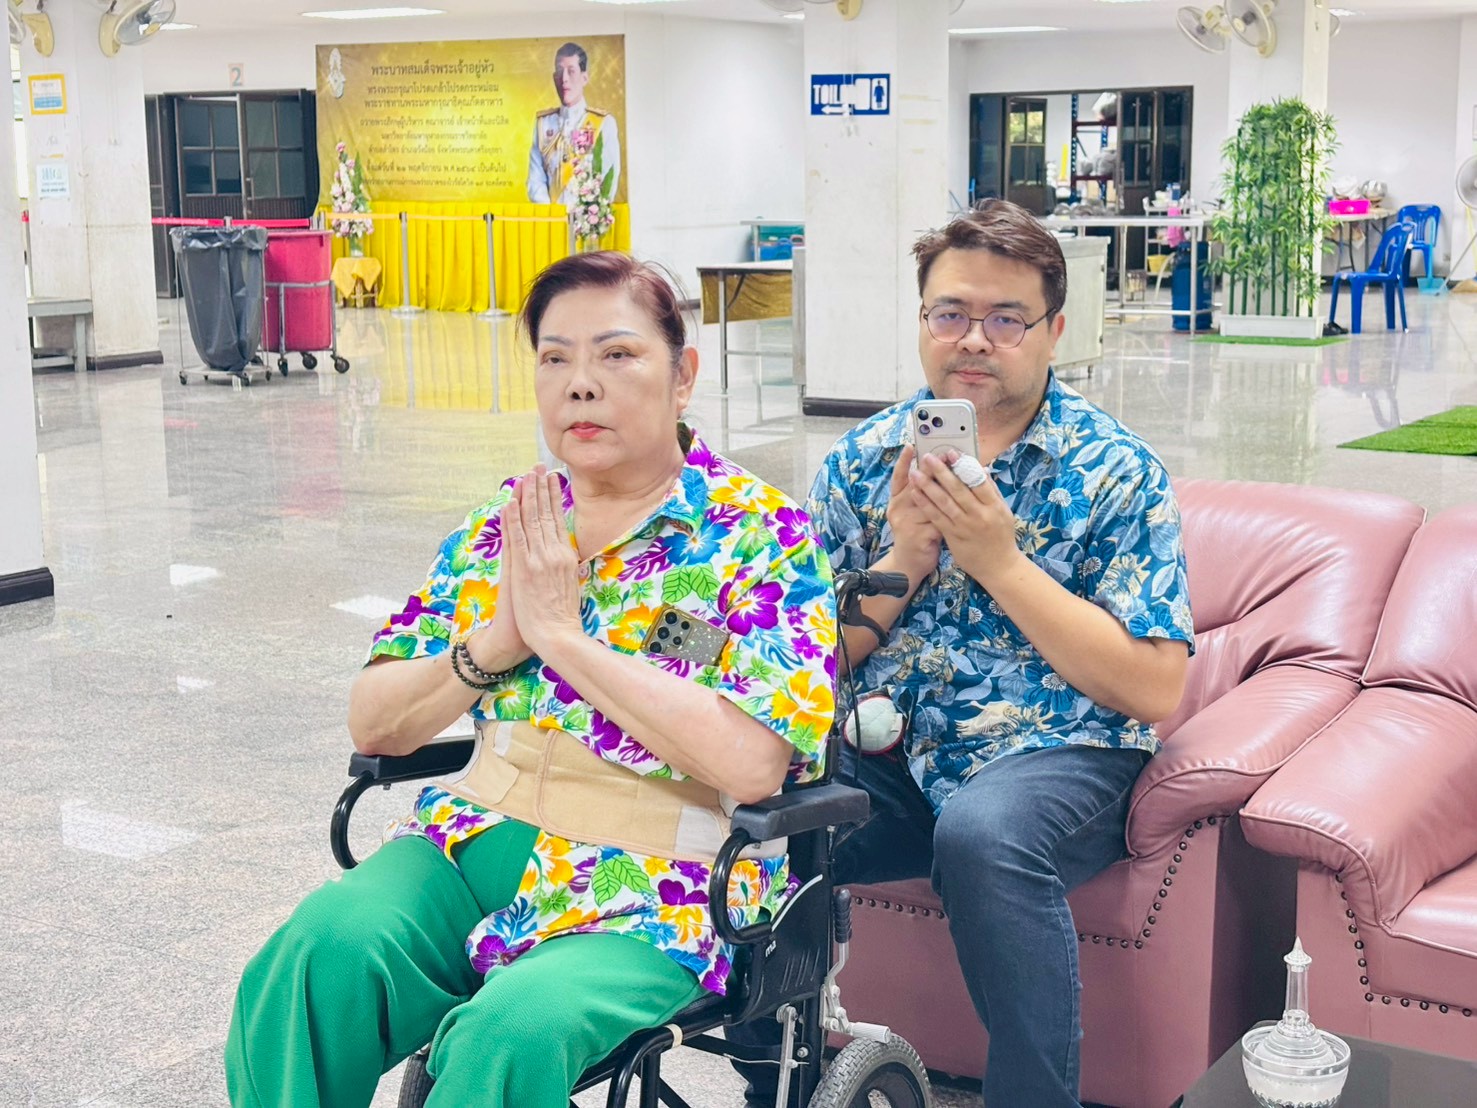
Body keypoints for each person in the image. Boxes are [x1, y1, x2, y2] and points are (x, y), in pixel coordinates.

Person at [225, 251, 836, 1107]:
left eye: (616, 354)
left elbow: (752, 764)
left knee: (510, 1034)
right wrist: (498, 640)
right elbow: (376, 723)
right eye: (555, 357)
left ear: (682, 376)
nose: (579, 384)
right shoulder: (504, 523)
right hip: (472, 846)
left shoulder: (761, 535)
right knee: (313, 957)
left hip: (656, 883)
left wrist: (561, 638)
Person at [735, 199, 1194, 1108]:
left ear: (1054, 330)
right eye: (949, 313)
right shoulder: (863, 460)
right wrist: (903, 562)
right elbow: (803, 664)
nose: (973, 339)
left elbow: (1151, 687)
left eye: (1005, 319)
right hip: (884, 752)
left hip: (1055, 752)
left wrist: (999, 562)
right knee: (752, 813)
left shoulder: (1114, 471)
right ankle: (774, 1086)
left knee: (984, 834)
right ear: (921, 322)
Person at [527, 41, 621, 206]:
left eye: (571, 71)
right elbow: (535, 180)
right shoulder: (544, 125)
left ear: (584, 78)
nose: (564, 79)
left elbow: (608, 181)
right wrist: (552, 215)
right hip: (551, 218)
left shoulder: (603, 124)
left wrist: (586, 215)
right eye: (559, 72)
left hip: (586, 219)